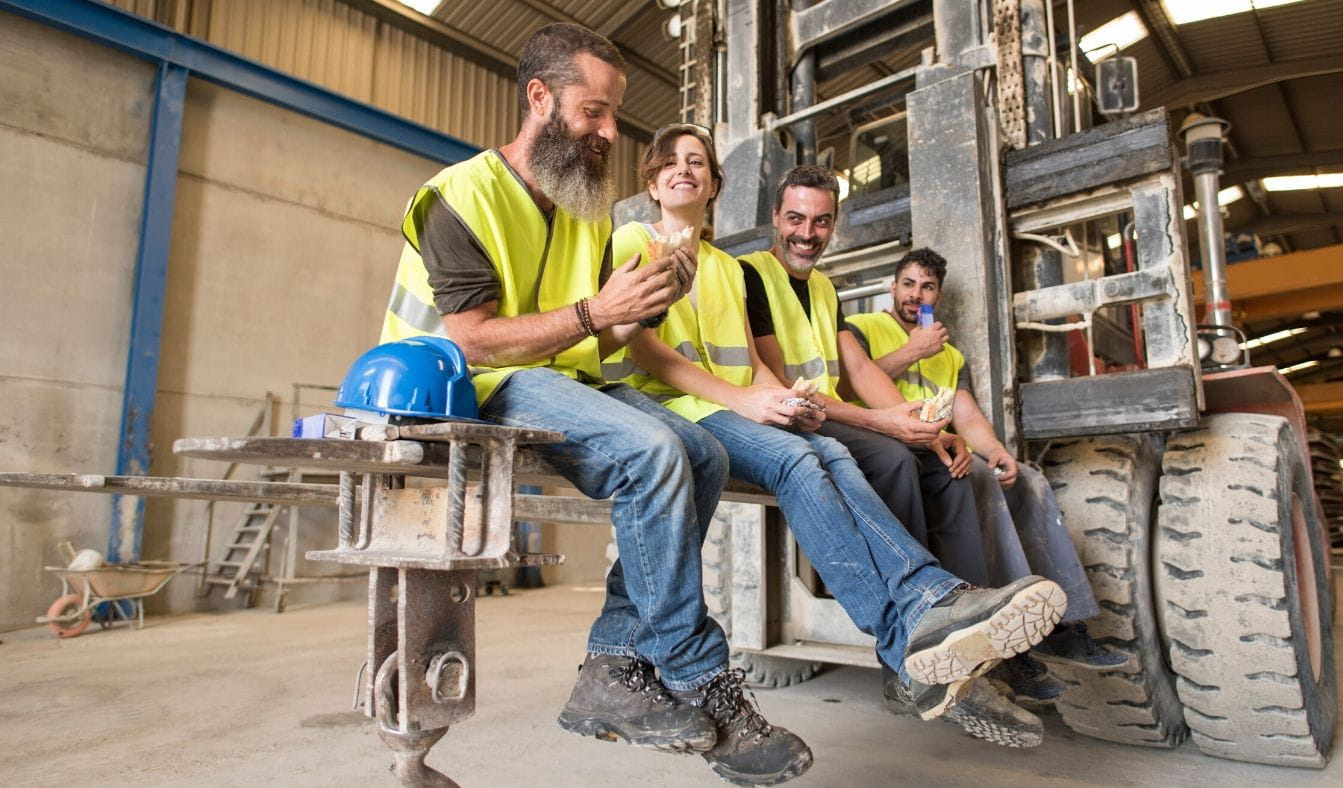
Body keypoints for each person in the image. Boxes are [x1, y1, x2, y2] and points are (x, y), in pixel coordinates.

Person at [378, 24, 810, 786]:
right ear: (539, 98)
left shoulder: (584, 212)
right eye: (595, 112)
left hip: (556, 379)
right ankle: (696, 670)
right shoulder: (460, 196)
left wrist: (637, 311)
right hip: (458, 383)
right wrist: (593, 313)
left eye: (614, 116)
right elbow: (476, 339)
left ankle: (612, 666)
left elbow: (593, 346)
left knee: (700, 450)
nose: (610, 132)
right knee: (651, 452)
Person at [608, 125, 1068, 752]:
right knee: (813, 458)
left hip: (744, 406)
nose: (685, 170)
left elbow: (753, 360)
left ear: (715, 184)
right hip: (680, 408)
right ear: (652, 178)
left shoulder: (727, 269)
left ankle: (939, 603)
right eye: (671, 162)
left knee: (827, 451)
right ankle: (908, 635)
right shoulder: (634, 239)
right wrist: (756, 399)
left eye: (698, 162)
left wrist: (782, 400)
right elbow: (643, 347)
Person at [734, 165, 1046, 741]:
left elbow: (854, 369)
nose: (808, 232)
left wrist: (930, 430)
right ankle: (905, 657)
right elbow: (779, 383)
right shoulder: (750, 275)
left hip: (826, 413)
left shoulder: (824, 288)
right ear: (776, 219)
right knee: (895, 460)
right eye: (796, 219)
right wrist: (886, 423)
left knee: (948, 469)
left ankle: (968, 636)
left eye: (821, 221)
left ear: (834, 226)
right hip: (788, 416)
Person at [844, 247, 1129, 697]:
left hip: (935, 446)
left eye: (927, 287)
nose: (916, 295)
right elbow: (848, 383)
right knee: (974, 476)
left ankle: (1062, 624)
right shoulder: (862, 329)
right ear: (891, 286)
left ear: (937, 295)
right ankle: (1004, 646)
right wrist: (909, 351)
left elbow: (967, 413)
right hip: (886, 443)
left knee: (1021, 477)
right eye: (908, 283)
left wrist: (997, 450)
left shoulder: (948, 354)